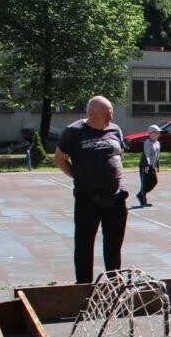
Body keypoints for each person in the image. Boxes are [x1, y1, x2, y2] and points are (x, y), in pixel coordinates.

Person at [53, 95, 129, 284]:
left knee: (113, 245)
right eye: (106, 113)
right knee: (84, 244)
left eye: (112, 112)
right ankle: (84, 286)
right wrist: (78, 177)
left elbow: (119, 155)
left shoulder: (115, 129)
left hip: (116, 197)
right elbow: (59, 159)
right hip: (87, 198)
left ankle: (114, 283)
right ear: (91, 112)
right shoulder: (74, 132)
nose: (110, 117)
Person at [136, 124, 161, 207]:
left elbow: (157, 155)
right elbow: (146, 155)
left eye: (159, 133)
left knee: (154, 182)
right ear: (150, 134)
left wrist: (157, 165)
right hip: (145, 166)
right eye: (156, 133)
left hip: (152, 166)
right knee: (145, 184)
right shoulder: (147, 143)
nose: (158, 135)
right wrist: (146, 165)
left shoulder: (157, 143)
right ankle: (143, 199)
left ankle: (140, 194)